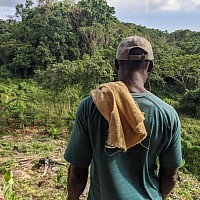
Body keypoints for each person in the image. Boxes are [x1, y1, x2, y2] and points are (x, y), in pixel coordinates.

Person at [64, 35, 182, 200]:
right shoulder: (167, 114)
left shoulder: (92, 105)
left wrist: (72, 198)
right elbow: (170, 175)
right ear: (150, 66)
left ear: (117, 64)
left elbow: (77, 171)